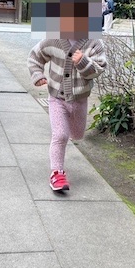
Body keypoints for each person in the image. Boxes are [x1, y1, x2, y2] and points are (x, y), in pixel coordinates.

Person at [27, 34, 106, 192]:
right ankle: (56, 173)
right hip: (57, 98)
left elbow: (98, 70)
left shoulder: (94, 43)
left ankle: (67, 135)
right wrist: (37, 75)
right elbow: (35, 56)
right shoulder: (53, 39)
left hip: (80, 99)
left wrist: (83, 62)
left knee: (77, 135)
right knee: (60, 135)